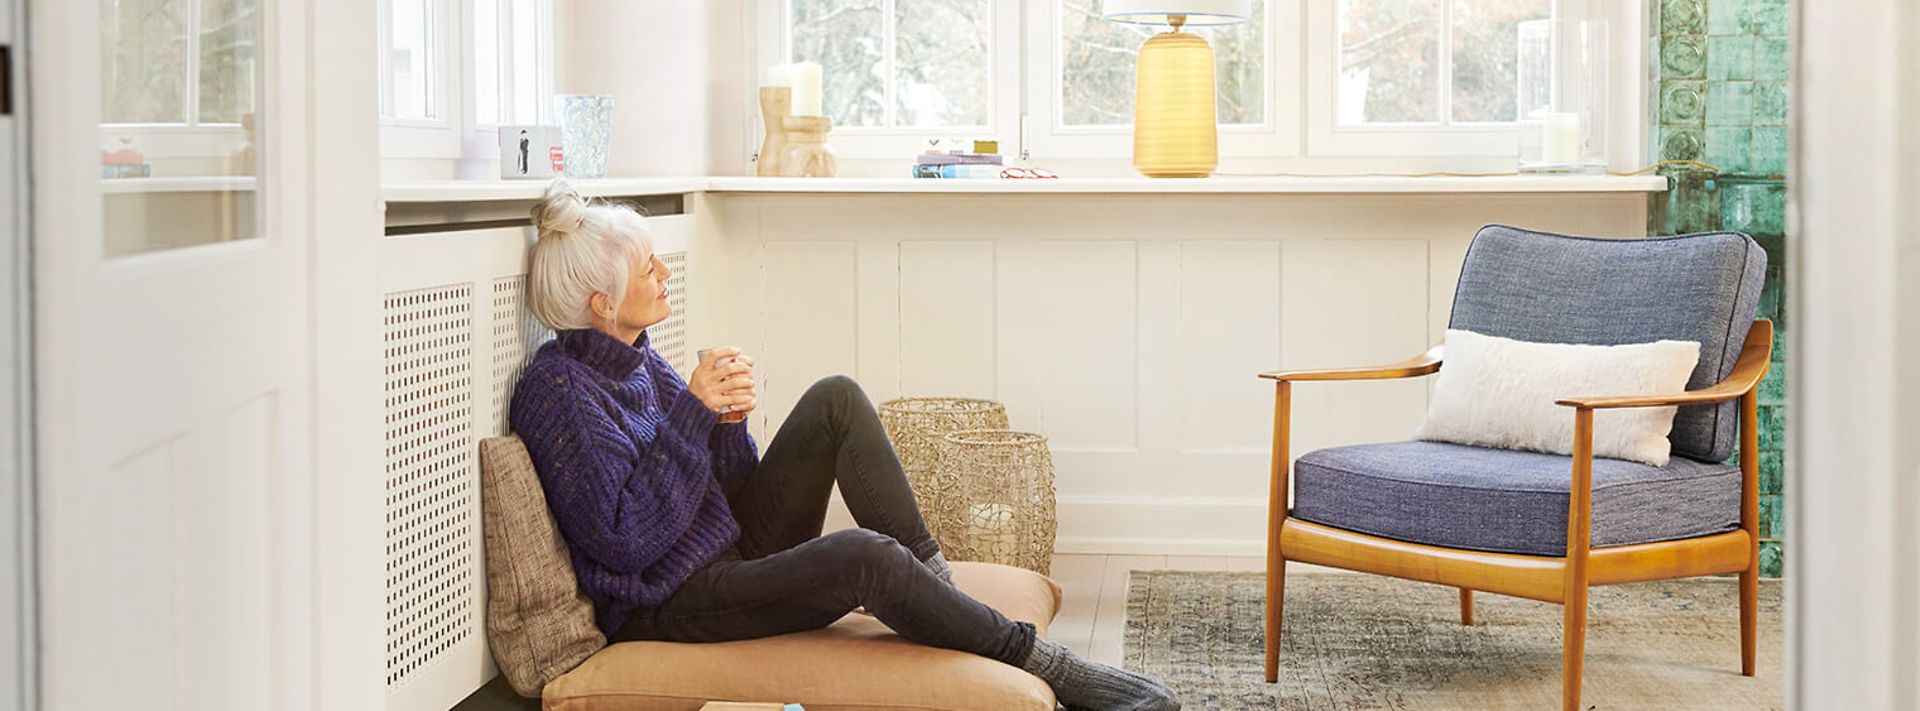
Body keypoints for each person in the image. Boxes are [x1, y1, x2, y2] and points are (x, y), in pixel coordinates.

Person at [509, 179, 1180, 710]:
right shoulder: (559, 391)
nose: (663, 271)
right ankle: (1044, 661)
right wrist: (692, 416)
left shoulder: (638, 359)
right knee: (863, 557)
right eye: (645, 266)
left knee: (836, 395)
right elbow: (625, 541)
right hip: (671, 601)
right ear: (602, 302)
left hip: (725, 553)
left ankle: (941, 596)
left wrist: (727, 424)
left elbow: (731, 496)